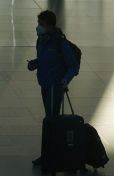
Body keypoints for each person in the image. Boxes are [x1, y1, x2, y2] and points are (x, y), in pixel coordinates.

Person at [28, 10, 80, 166]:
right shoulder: (42, 40)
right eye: (38, 24)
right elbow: (44, 59)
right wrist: (35, 63)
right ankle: (50, 154)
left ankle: (51, 155)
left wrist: (65, 80)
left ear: (50, 26)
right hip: (44, 84)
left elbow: (73, 66)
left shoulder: (60, 43)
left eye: (41, 25)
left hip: (55, 87)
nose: (38, 27)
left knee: (51, 121)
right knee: (50, 120)